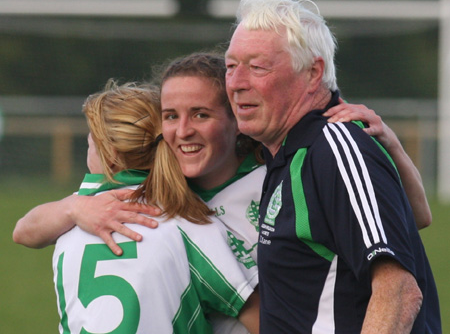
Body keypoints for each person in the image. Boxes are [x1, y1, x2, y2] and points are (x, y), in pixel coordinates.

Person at [14, 53, 433, 334]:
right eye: (171, 117)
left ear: (237, 120)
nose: (184, 131)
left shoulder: (286, 171)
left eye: (201, 114)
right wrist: (74, 208)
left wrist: (390, 145)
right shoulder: (168, 202)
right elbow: (26, 231)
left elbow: (414, 218)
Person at [224, 0, 441, 333]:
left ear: (313, 73)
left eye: (257, 67)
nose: (236, 83)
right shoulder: (283, 152)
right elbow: (414, 218)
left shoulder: (332, 149)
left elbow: (399, 291)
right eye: (231, 66)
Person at [40, 80, 260, 333]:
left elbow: (23, 232)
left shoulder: (68, 223)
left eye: (91, 141)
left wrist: (73, 209)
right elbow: (256, 315)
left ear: (109, 154)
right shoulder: (188, 221)